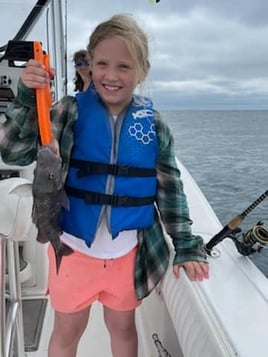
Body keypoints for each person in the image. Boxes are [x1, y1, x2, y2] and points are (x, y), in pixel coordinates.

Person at [0, 14, 209, 357]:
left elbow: (170, 188)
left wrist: (185, 244)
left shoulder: (154, 126)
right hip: (71, 251)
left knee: (124, 329)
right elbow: (12, 151)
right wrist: (26, 97)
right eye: (102, 64)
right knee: (67, 331)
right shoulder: (67, 110)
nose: (111, 76)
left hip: (128, 256)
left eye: (123, 67)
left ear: (142, 70)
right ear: (90, 65)